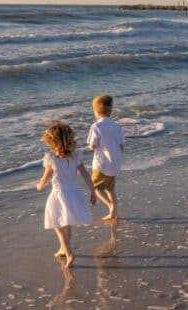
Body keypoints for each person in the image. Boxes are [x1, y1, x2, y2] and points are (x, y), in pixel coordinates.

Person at [37, 121, 96, 268]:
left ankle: (69, 253)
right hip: (73, 193)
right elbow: (86, 175)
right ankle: (63, 249)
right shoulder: (76, 157)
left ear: (52, 143)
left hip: (58, 194)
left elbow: (45, 179)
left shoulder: (52, 160)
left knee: (57, 225)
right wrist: (92, 190)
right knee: (67, 223)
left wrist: (39, 186)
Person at [87, 95, 125, 220]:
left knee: (95, 187)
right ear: (110, 110)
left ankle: (110, 205)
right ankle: (114, 208)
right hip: (115, 162)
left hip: (101, 163)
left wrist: (92, 147)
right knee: (110, 188)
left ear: (96, 111)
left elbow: (92, 146)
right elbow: (121, 145)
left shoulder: (96, 126)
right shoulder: (117, 126)